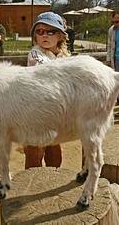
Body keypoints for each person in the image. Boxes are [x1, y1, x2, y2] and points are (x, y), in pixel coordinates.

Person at [24, 11, 70, 169]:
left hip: (55, 113)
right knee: (35, 151)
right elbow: (46, 71)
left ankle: (53, 175)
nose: (45, 35)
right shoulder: (36, 53)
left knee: (54, 151)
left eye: (51, 31)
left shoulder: (64, 57)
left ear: (60, 36)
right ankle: (30, 181)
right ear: (35, 36)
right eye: (40, 31)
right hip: (37, 112)